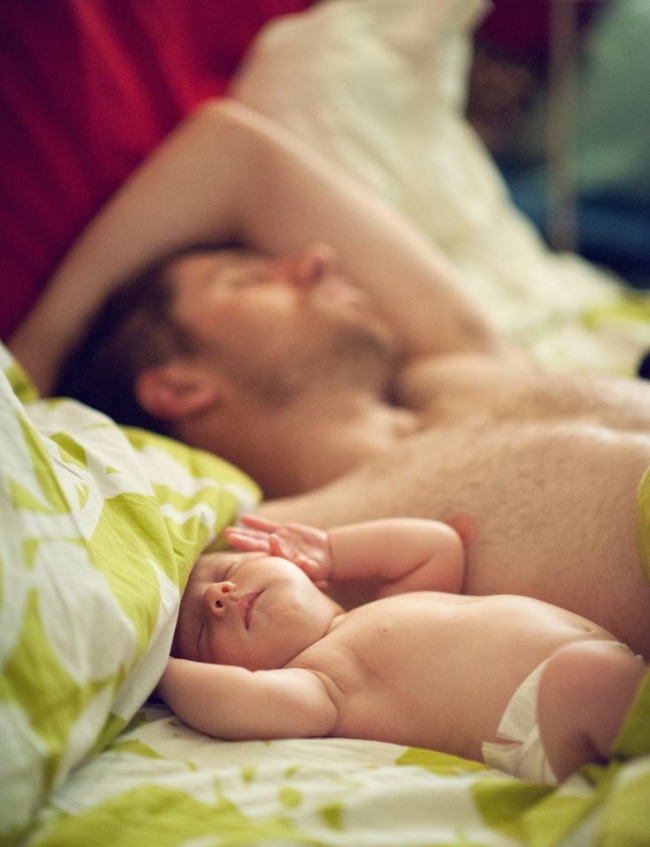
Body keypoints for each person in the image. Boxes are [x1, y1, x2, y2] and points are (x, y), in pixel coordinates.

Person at [9, 100, 650, 661]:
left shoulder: (460, 367)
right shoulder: (276, 552)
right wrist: (27, 394)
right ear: (179, 386)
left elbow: (232, 150)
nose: (314, 258)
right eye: (249, 278)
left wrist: (34, 351)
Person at [158, 514, 646, 785]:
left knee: (595, 676)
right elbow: (238, 700)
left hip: (606, 674)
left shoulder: (383, 605)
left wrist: (333, 550)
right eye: (201, 629)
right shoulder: (322, 682)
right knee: (589, 677)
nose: (216, 597)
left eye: (229, 574)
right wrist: (157, 666)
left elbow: (437, 546)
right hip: (551, 718)